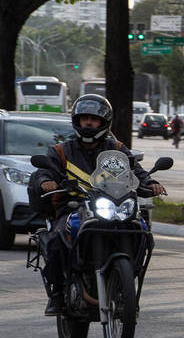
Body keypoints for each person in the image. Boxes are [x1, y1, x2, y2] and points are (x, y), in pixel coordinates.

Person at [29, 94, 166, 315]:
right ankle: (57, 292)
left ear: (103, 122)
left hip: (112, 206)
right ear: (77, 120)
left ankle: (127, 282)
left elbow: (136, 172)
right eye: (85, 119)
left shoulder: (117, 149)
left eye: (94, 119)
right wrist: (45, 181)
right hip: (73, 206)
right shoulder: (61, 151)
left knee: (139, 229)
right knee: (57, 237)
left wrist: (151, 183)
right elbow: (43, 171)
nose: (89, 123)